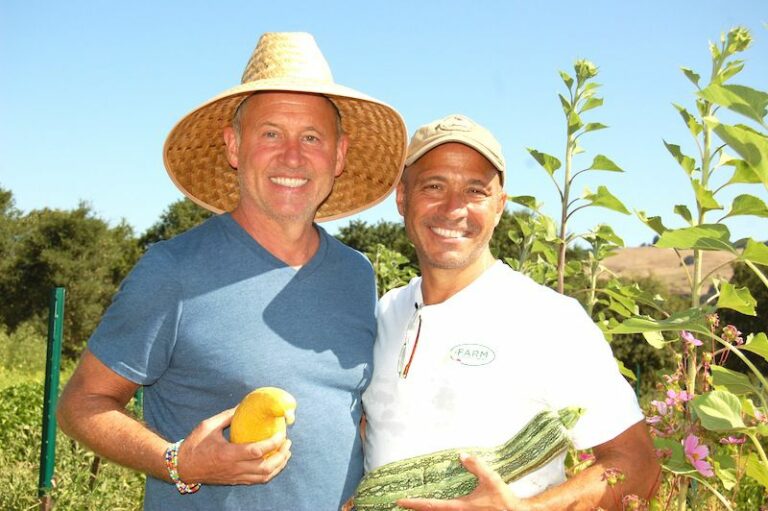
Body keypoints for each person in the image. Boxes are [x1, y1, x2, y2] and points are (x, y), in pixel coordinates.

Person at [57, 32, 407, 511]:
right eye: (270, 134)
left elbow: (347, 411)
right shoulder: (173, 269)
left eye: (311, 137)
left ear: (339, 155)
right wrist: (177, 461)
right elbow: (82, 404)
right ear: (234, 146)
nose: (292, 156)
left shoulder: (356, 274)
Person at [361, 114, 659, 510]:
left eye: (475, 191)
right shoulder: (384, 310)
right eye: (434, 186)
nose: (454, 208)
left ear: (499, 206)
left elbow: (638, 466)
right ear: (403, 198)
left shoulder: (550, 320)